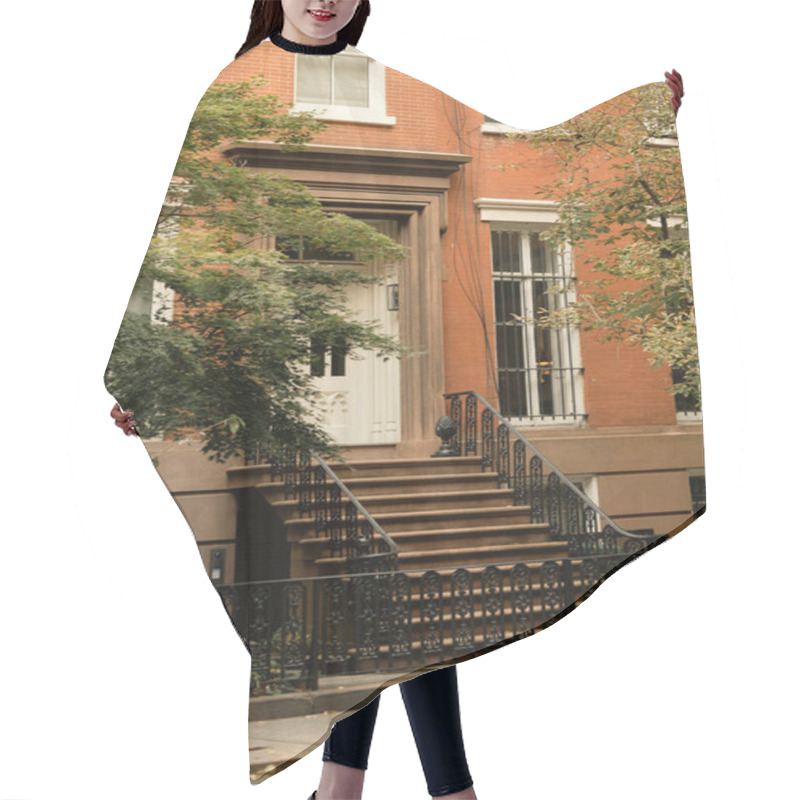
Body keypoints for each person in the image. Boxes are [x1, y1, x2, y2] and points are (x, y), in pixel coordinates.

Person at [109, 2, 686, 797]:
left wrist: (643, 118)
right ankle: (432, 790)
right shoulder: (234, 84)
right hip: (305, 438)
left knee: (398, 612)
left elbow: (543, 140)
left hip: (368, 451)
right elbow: (154, 246)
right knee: (401, 612)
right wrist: (145, 376)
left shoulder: (388, 79)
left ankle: (350, 789)